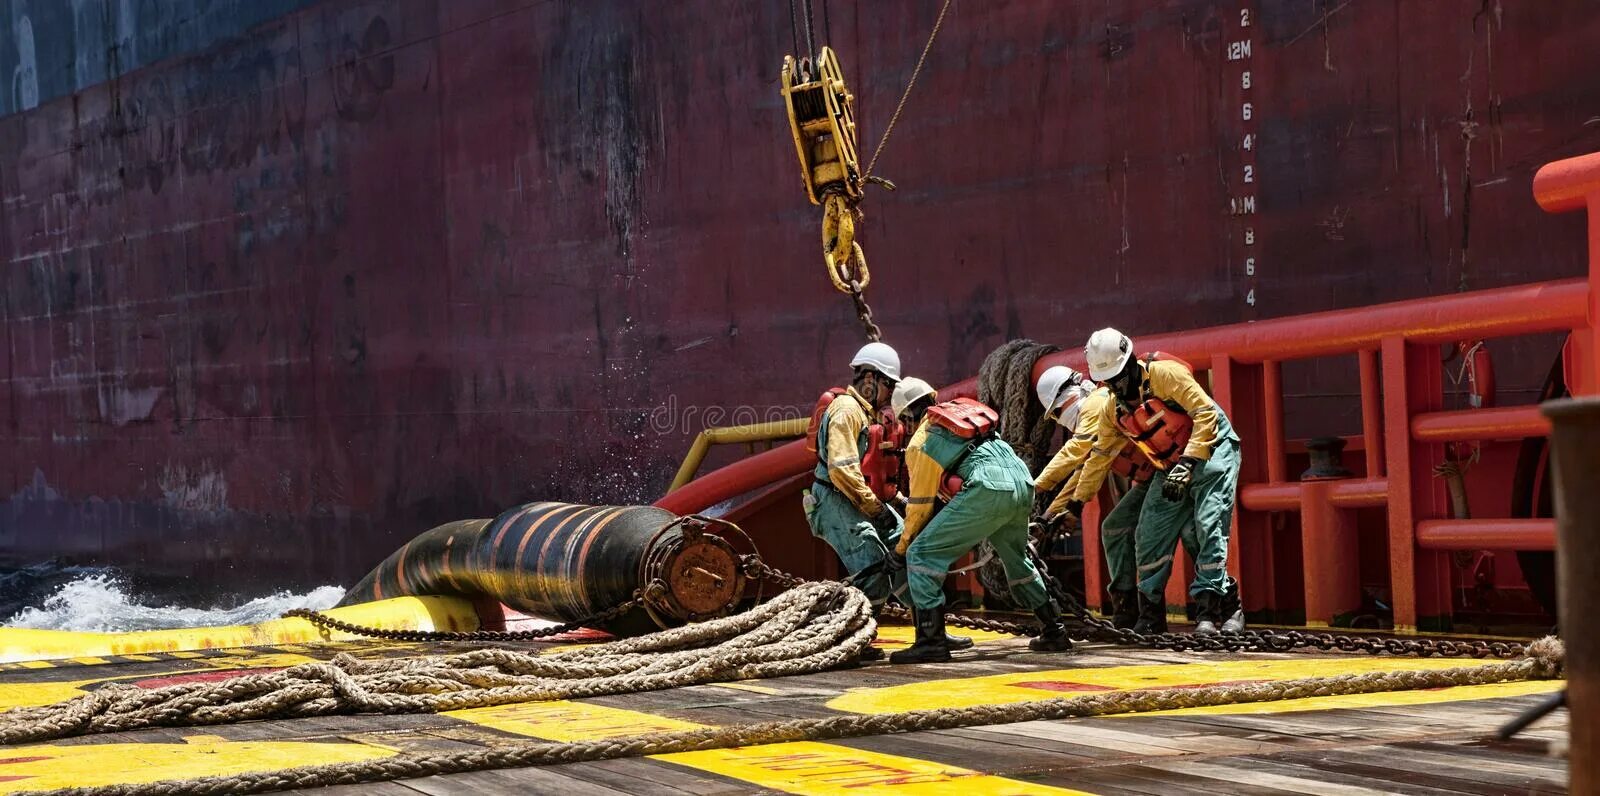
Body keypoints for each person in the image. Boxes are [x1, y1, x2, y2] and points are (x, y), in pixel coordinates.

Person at [1051, 329, 1245, 635]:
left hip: (1213, 451)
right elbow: (1099, 459)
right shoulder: (1113, 411)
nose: (1116, 385)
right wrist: (1074, 506)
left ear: (1130, 362)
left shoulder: (1165, 376)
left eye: (1119, 376)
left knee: (1208, 525)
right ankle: (1151, 612)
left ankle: (1219, 607)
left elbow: (1204, 412)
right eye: (1109, 380)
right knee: (1148, 534)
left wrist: (1189, 461)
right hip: (1170, 466)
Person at [887, 378, 1073, 663]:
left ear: (905, 419)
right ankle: (1054, 630)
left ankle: (931, 640)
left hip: (987, 489)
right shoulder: (961, 418)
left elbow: (920, 508)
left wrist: (900, 551)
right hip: (1022, 482)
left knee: (921, 554)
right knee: (1017, 559)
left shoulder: (921, 441)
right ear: (933, 399)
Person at [1033, 366, 1154, 629]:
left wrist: (1033, 489)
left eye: (1056, 412)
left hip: (1168, 473)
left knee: (1149, 534)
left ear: (1070, 396)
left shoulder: (1097, 403)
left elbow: (1074, 452)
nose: (1058, 419)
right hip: (1151, 481)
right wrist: (1047, 517)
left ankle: (1154, 613)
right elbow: (1082, 471)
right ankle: (1126, 607)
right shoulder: (1099, 419)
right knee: (1114, 528)